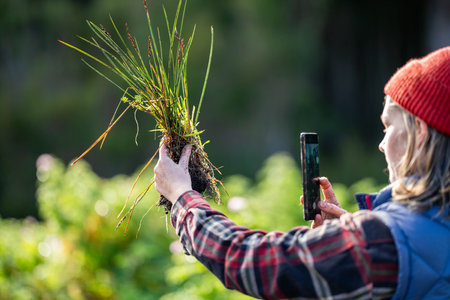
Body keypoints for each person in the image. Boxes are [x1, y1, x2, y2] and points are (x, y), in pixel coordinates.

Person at [154, 46, 450, 299]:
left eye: (388, 127)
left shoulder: (382, 243)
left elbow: (251, 260)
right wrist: (350, 239)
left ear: (419, 133)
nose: (383, 145)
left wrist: (183, 198)